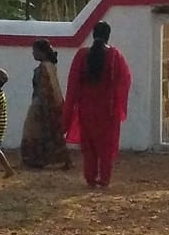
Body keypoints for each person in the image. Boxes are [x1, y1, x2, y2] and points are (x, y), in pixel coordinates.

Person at [62, 20, 131, 189]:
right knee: (105, 147)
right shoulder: (115, 56)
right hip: (107, 110)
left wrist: (69, 111)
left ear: (93, 34)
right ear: (108, 35)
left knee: (89, 146)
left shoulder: (82, 55)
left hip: (86, 108)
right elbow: (125, 81)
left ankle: (90, 178)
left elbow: (72, 85)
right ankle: (104, 180)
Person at [18, 39, 67, 170]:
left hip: (41, 104)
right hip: (49, 103)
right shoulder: (50, 66)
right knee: (49, 132)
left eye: (35, 51)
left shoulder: (43, 68)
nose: (33, 53)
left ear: (42, 52)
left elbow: (45, 89)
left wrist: (43, 106)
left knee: (32, 131)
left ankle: (35, 159)